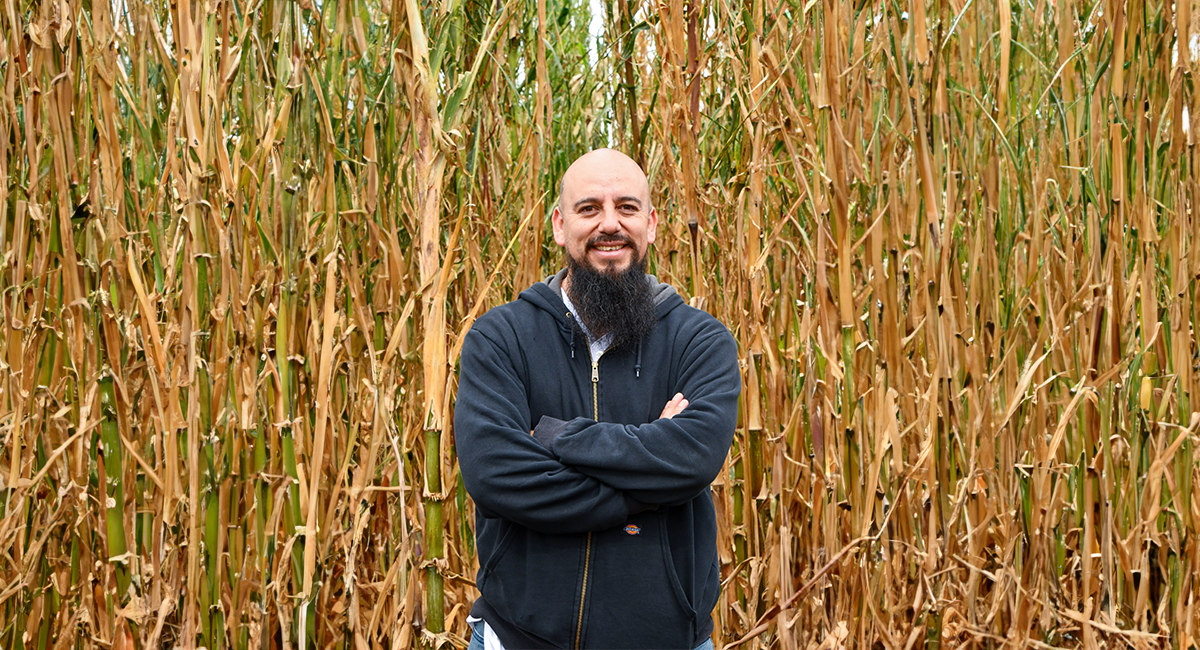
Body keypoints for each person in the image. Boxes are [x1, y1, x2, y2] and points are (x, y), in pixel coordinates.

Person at [454, 149, 741, 650]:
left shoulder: (700, 341)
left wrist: (555, 436)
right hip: (517, 639)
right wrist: (649, 485)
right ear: (560, 226)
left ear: (651, 224)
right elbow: (495, 475)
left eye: (627, 208)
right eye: (589, 209)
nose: (610, 224)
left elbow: (693, 459)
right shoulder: (501, 338)